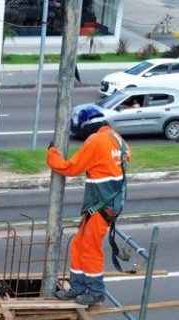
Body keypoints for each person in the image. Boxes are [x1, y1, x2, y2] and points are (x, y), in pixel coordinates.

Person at [46, 104, 130, 307]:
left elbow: (70, 167)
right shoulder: (115, 137)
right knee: (79, 244)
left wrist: (52, 154)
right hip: (107, 204)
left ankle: (95, 291)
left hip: (101, 205)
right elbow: (126, 156)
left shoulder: (96, 141)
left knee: (90, 248)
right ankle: (77, 287)